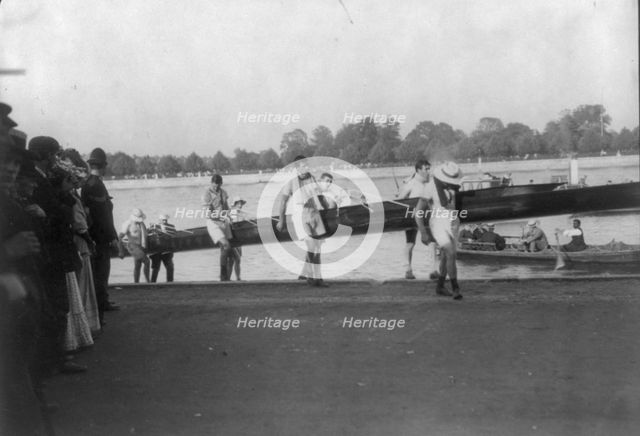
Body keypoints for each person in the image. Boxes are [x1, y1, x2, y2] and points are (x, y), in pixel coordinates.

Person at [81, 147, 120, 325]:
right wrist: (113, 237)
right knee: (101, 273)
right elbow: (104, 215)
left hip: (94, 234)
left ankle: (102, 303)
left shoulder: (89, 183)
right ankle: (100, 309)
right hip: (101, 236)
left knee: (100, 273)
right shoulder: (97, 185)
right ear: (103, 166)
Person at [276, 155, 328, 287]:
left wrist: (326, 208)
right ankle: (311, 277)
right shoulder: (291, 181)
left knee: (317, 247)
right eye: (302, 166)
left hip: (314, 212)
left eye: (306, 165)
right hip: (300, 213)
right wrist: (281, 220)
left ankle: (318, 278)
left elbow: (318, 196)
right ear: (296, 167)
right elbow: (283, 201)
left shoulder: (311, 177)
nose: (306, 168)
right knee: (311, 245)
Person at [415, 161, 464, 300]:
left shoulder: (453, 187)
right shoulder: (430, 187)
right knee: (451, 252)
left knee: (445, 256)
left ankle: (440, 286)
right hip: (438, 224)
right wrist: (423, 233)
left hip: (453, 222)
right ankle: (456, 288)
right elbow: (418, 211)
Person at [397, 159, 438, 280]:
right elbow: (399, 201)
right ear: (418, 170)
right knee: (410, 243)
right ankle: (408, 270)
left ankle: (433, 271)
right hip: (411, 218)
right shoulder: (411, 184)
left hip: (426, 218)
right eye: (426, 169)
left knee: (432, 243)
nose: (428, 171)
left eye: (428, 168)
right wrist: (400, 194)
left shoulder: (429, 184)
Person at [202, 174, 233, 281]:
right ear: (211, 183)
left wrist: (229, 216)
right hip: (213, 223)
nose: (216, 187)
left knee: (226, 250)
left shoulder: (223, 192)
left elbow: (226, 207)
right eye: (214, 185)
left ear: (221, 184)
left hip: (223, 222)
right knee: (226, 245)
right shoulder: (207, 194)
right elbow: (208, 213)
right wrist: (219, 215)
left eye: (218, 185)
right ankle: (223, 276)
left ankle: (225, 278)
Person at [119, 208, 150, 283]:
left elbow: (144, 234)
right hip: (132, 246)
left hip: (141, 246)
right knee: (147, 262)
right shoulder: (127, 224)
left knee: (137, 265)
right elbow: (120, 237)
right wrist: (121, 251)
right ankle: (148, 282)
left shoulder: (141, 224)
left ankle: (136, 283)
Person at [148, 214, 176, 282]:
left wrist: (164, 233)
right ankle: (153, 283)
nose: (164, 221)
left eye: (166, 220)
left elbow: (173, 235)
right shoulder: (153, 227)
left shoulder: (171, 227)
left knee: (170, 267)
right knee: (156, 268)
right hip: (156, 251)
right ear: (159, 220)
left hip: (167, 251)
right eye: (163, 220)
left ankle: (170, 283)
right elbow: (148, 235)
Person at [227, 197, 247, 281]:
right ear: (234, 204)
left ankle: (235, 278)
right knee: (234, 259)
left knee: (236, 260)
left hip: (239, 240)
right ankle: (232, 278)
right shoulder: (231, 212)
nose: (240, 205)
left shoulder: (242, 214)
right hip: (231, 239)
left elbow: (243, 226)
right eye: (238, 203)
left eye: (241, 204)